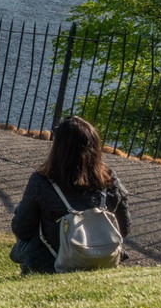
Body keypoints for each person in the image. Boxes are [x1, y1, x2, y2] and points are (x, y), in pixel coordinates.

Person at [10, 115, 131, 274]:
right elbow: (124, 228)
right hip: (103, 259)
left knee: (22, 211)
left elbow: (22, 229)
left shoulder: (42, 182)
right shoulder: (110, 181)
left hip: (51, 262)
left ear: (58, 148)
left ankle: (28, 266)